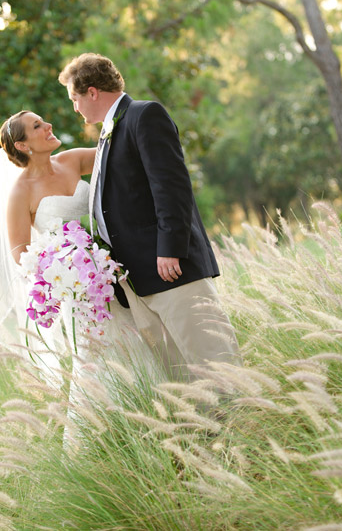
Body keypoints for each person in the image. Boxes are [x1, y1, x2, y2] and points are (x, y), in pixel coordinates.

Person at [58, 53, 241, 382]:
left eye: (75, 99)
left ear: (93, 92)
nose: (75, 108)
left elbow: (171, 185)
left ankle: (248, 424)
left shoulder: (144, 115)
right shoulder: (108, 133)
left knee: (214, 359)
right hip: (139, 279)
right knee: (186, 376)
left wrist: (170, 247)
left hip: (171, 269)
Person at [0, 109, 159, 409]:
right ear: (23, 145)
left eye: (44, 121)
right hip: (79, 290)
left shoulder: (72, 160)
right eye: (37, 126)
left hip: (114, 272)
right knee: (100, 358)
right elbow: (20, 253)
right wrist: (64, 264)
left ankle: (158, 405)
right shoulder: (20, 192)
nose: (48, 126)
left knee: (141, 342)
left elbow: (119, 149)